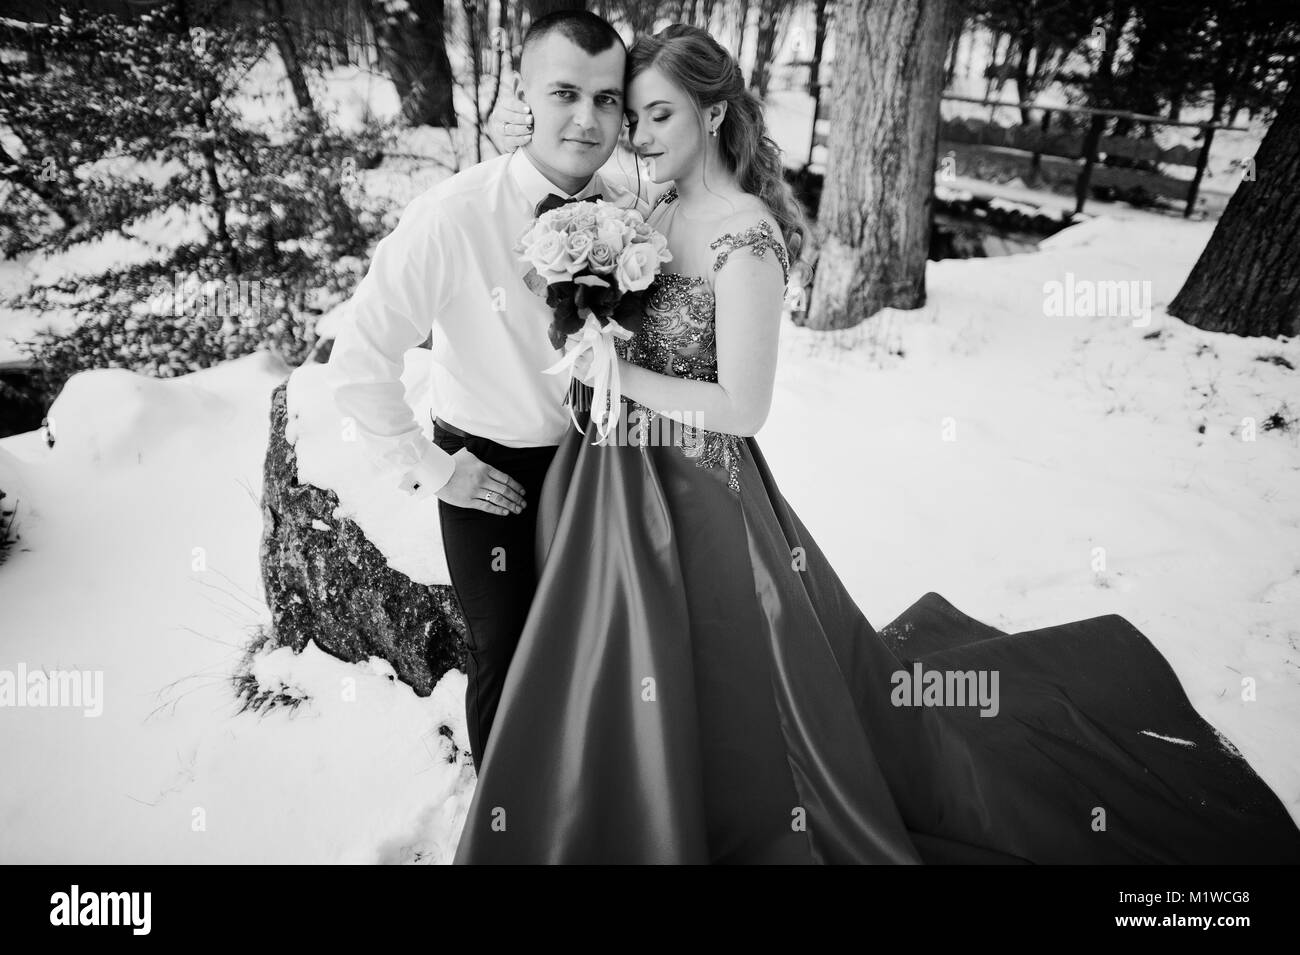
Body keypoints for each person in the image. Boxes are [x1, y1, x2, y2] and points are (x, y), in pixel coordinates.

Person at [451, 24, 1300, 864]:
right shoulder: (650, 208)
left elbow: (744, 409)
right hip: (614, 484)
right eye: (633, 117)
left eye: (659, 115)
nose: (637, 137)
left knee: (725, 679)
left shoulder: (744, 238)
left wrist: (620, 378)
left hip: (705, 495)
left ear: (712, 116)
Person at [325, 11, 637, 774]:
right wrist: (438, 468)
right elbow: (359, 358)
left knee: (608, 642)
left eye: (607, 98)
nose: (587, 117)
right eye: (565, 92)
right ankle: (508, 825)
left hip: (600, 465)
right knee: (510, 654)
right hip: (490, 475)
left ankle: (598, 806)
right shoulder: (452, 215)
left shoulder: (633, 207)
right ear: (525, 88)